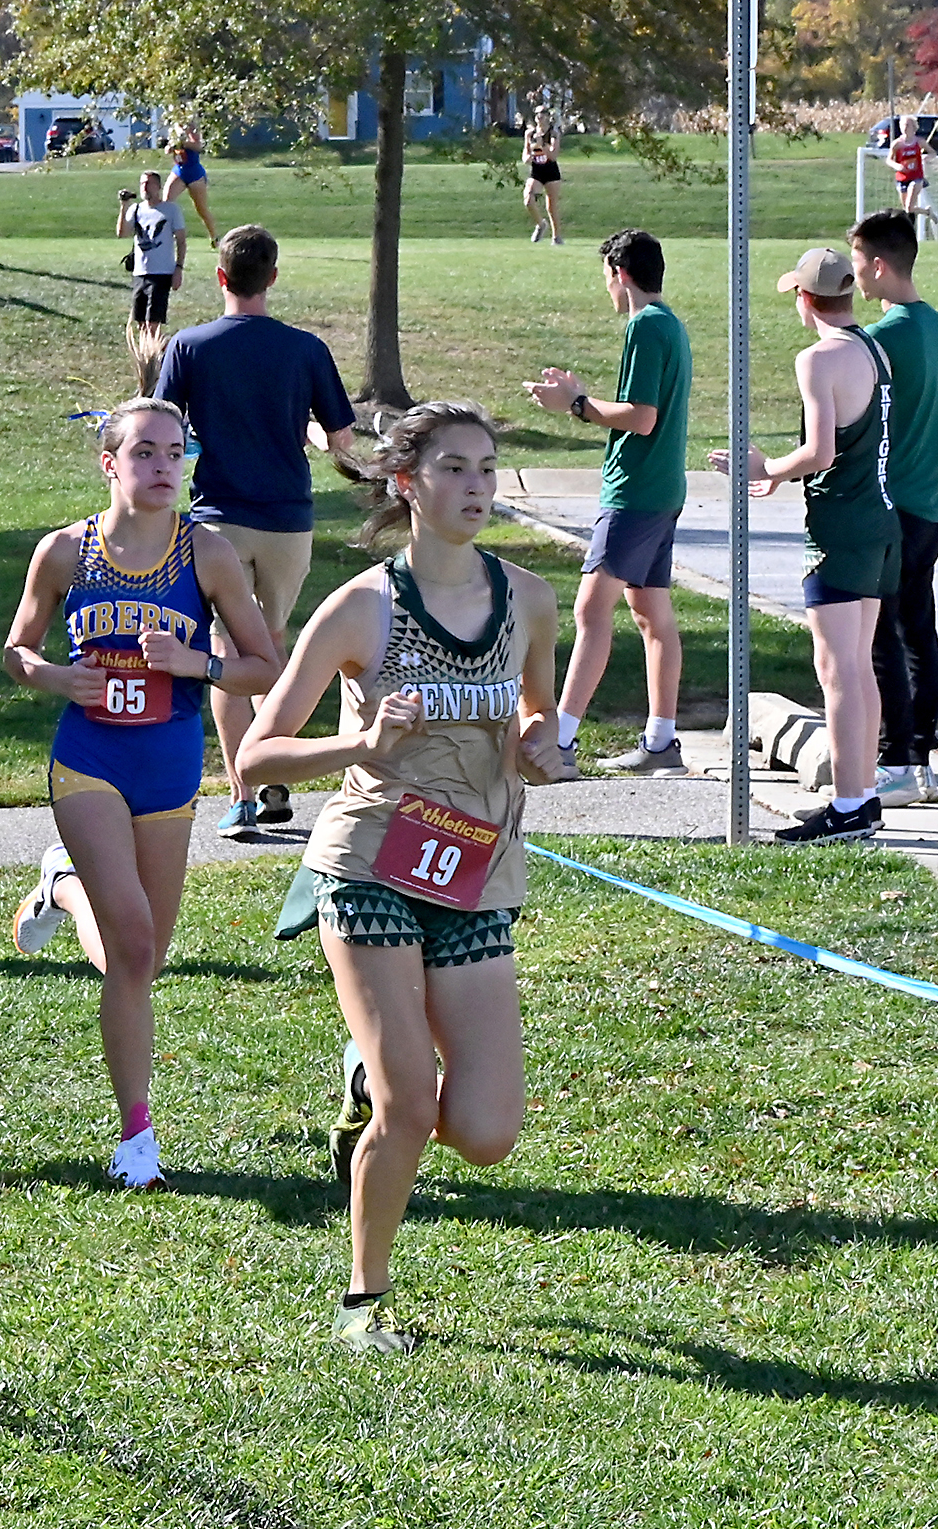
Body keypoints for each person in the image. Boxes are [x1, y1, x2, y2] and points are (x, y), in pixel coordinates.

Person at [235, 402, 562, 1355]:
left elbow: (539, 715)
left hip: (477, 868)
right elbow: (257, 756)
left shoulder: (530, 601)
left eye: (488, 470)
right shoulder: (362, 607)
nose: (477, 487)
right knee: (412, 1102)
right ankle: (362, 1304)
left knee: (489, 1129)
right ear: (406, 484)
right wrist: (360, 740)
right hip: (371, 859)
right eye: (456, 469)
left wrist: (544, 749)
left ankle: (366, 1075)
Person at [2, 398, 282, 1190]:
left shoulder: (209, 554)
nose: (164, 467)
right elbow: (17, 649)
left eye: (175, 453)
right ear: (110, 463)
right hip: (88, 760)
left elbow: (264, 665)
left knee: (144, 955)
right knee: (131, 942)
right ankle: (136, 1136)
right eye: (147, 453)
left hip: (167, 767)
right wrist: (56, 675)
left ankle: (60, 884)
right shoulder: (64, 552)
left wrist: (198, 666)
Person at [150, 224, 357, 837]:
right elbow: (340, 439)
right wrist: (308, 433)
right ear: (273, 276)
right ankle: (274, 777)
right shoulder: (306, 349)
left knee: (226, 657)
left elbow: (163, 425)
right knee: (268, 649)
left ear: (220, 276)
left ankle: (245, 795)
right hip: (289, 521)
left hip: (217, 521)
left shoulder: (188, 347)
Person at [709, 248, 897, 846]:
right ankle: (863, 797)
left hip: (840, 527)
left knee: (836, 668)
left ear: (805, 299)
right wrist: (780, 476)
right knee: (857, 664)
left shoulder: (818, 359)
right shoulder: (873, 348)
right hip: (879, 518)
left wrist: (767, 465)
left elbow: (821, 452)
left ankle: (847, 805)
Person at [521, 227, 692, 777]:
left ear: (621, 274)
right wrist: (581, 395)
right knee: (650, 614)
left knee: (591, 610)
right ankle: (661, 742)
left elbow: (641, 418)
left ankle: (562, 740)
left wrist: (575, 404)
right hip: (662, 489)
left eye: (607, 279)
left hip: (635, 491)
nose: (609, 291)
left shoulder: (645, 326)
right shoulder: (672, 325)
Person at [852, 210, 938, 810]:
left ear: (879, 264)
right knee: (919, 630)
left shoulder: (883, 338)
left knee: (881, 636)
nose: (857, 278)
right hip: (932, 506)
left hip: (895, 509)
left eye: (860, 263)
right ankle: (918, 760)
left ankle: (896, 761)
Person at [117, 171, 187, 335]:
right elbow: (122, 233)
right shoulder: (136, 209)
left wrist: (179, 268)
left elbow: (182, 241)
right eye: (142, 184)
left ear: (158, 187)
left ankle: (154, 357)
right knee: (141, 323)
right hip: (140, 273)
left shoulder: (170, 210)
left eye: (149, 183)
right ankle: (147, 355)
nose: (145, 187)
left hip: (161, 273)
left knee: (153, 323)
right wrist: (124, 206)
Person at [167, 118, 216, 240]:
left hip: (194, 173)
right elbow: (169, 148)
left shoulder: (192, 127)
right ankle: (167, 234)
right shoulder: (174, 128)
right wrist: (169, 148)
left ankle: (214, 237)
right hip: (179, 170)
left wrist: (183, 143)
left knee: (201, 209)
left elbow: (198, 146)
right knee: (166, 203)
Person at [523, 108, 562, 245]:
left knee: (551, 206)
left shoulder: (553, 134)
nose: (540, 116)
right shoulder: (530, 133)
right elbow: (525, 156)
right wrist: (529, 157)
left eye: (543, 114)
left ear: (547, 117)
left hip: (551, 171)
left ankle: (556, 236)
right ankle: (540, 224)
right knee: (528, 199)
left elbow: (553, 156)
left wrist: (542, 145)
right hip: (536, 171)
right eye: (537, 114)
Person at [887, 121, 926, 214]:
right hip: (902, 177)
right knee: (907, 209)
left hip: (916, 177)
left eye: (907, 125)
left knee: (909, 207)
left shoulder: (919, 141)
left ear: (913, 127)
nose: (905, 127)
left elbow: (932, 152)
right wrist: (897, 166)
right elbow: (889, 160)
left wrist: (927, 157)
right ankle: (927, 212)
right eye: (903, 125)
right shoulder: (897, 144)